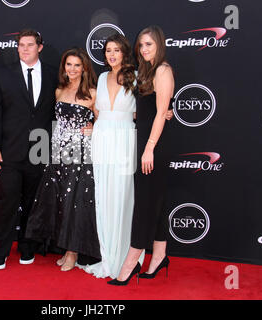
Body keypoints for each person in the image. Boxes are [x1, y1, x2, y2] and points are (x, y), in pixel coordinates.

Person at [108, 25, 175, 285]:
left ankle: (130, 263)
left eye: (149, 44)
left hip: (153, 147)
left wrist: (149, 148)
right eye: (141, 45)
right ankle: (159, 257)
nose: (144, 49)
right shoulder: (148, 71)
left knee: (145, 206)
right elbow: (150, 111)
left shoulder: (163, 70)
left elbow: (160, 114)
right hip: (145, 143)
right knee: (156, 205)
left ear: (159, 44)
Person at [0, 29, 58, 270]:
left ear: (40, 47)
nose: (24, 49)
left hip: (40, 150)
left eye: (29, 45)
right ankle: (2, 251)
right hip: (8, 151)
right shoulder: (3, 74)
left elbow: (63, 108)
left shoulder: (51, 74)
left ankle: (27, 247)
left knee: (32, 203)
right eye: (20, 45)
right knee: (6, 203)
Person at [25, 48, 101, 272]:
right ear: (64, 67)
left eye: (77, 65)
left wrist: (93, 127)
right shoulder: (59, 91)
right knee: (58, 201)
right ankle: (62, 246)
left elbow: (105, 120)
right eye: (69, 65)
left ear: (84, 68)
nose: (73, 69)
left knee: (75, 203)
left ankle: (72, 252)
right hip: (58, 152)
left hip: (80, 154)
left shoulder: (93, 93)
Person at [78, 34, 144, 279]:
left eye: (116, 50)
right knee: (104, 198)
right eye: (108, 50)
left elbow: (144, 112)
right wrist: (94, 127)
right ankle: (108, 257)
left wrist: (165, 112)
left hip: (125, 140)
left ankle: (126, 257)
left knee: (124, 197)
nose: (112, 54)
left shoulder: (137, 78)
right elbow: (98, 113)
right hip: (102, 140)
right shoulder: (102, 77)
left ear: (125, 52)